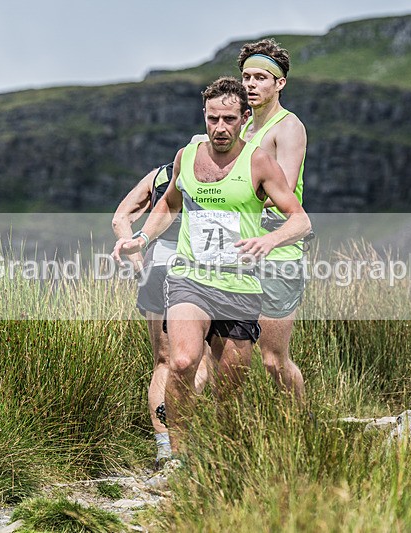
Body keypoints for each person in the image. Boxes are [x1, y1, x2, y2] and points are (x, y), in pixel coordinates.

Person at [112, 76, 311, 454]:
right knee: (182, 360)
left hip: (238, 287)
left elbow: (300, 220)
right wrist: (140, 238)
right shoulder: (187, 156)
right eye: (212, 119)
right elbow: (169, 205)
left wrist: (268, 240)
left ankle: (218, 452)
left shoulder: (259, 162)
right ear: (204, 116)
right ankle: (178, 456)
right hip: (191, 279)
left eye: (229, 120)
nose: (220, 128)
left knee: (229, 386)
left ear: (244, 118)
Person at [111, 155, 210, 469]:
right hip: (197, 268)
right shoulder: (218, 173)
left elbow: (120, 218)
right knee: (201, 358)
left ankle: (165, 452)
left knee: (164, 361)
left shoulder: (158, 175)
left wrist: (135, 251)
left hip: (156, 266)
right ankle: (183, 423)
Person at [238, 39, 308, 405]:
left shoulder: (288, 127)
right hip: (237, 248)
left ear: (280, 83)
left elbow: (285, 186)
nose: (251, 84)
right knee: (226, 355)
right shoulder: (240, 127)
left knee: (272, 360)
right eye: (246, 77)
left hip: (279, 249)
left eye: (261, 77)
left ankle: (301, 426)